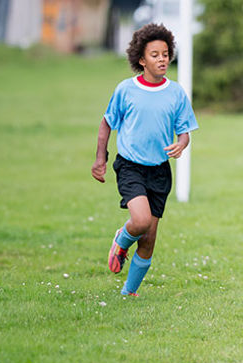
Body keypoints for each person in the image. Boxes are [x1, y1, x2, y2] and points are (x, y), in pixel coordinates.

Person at [93, 23, 198, 296]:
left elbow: (184, 131)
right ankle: (121, 240)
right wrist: (100, 158)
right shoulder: (126, 90)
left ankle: (129, 292)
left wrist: (181, 145)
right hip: (130, 167)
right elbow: (107, 123)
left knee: (149, 239)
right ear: (141, 59)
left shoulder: (175, 93)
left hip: (160, 171)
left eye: (165, 53)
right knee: (139, 222)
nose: (162, 59)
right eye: (155, 54)